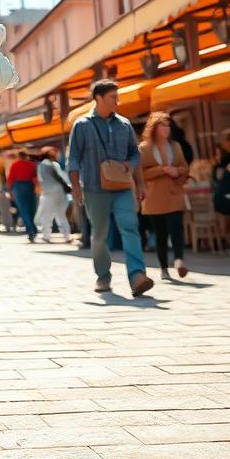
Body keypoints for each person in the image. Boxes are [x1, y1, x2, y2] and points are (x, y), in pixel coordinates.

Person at [68, 80, 153, 297]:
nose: (118, 101)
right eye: (113, 97)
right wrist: (75, 186)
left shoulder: (124, 124)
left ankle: (137, 277)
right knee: (99, 234)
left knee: (130, 227)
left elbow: (135, 154)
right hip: (95, 189)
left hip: (123, 187)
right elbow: (74, 158)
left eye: (117, 96)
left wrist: (138, 178)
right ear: (98, 98)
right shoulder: (82, 125)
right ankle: (103, 276)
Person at [139, 112, 189, 282]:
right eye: (163, 125)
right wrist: (161, 170)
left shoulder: (175, 146)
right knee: (161, 234)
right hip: (155, 197)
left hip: (175, 193)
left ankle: (179, 260)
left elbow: (184, 167)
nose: (166, 129)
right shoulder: (144, 148)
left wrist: (177, 171)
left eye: (168, 126)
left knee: (177, 228)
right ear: (154, 128)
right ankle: (163, 268)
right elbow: (141, 173)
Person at [35, 147, 72, 243]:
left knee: (47, 214)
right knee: (61, 214)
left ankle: (46, 235)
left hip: (49, 192)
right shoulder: (54, 164)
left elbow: (43, 179)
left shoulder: (42, 165)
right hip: (60, 191)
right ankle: (67, 236)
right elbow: (61, 176)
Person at [213, 129, 230, 244]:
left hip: (227, 196)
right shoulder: (223, 166)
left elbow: (229, 177)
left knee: (225, 215)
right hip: (225, 195)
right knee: (224, 215)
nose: (217, 156)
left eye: (219, 153)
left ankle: (228, 238)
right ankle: (227, 238)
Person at [7, 149, 38, 242]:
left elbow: (10, 179)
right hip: (30, 186)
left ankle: (31, 230)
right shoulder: (32, 165)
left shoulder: (15, 165)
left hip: (18, 187)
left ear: (19, 156)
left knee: (23, 209)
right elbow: (35, 178)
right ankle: (33, 229)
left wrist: (10, 191)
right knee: (31, 209)